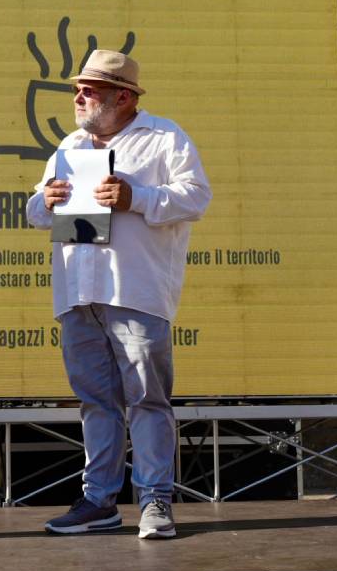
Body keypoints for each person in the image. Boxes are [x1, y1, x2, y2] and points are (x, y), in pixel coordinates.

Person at [26, 50, 211, 539]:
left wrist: (137, 197)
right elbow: (35, 213)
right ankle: (99, 502)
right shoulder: (69, 145)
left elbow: (197, 196)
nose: (78, 97)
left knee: (147, 400)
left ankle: (155, 500)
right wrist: (44, 200)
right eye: (77, 90)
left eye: (89, 90)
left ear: (124, 97)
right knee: (95, 402)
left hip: (135, 292)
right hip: (77, 293)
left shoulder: (164, 137)